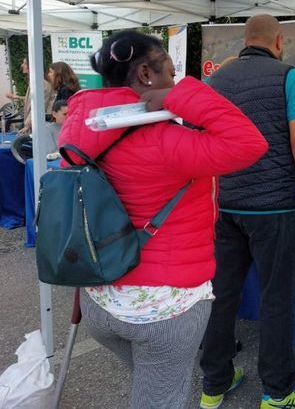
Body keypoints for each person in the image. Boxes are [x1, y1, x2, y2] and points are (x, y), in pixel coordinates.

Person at [58, 30, 268, 409]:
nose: (174, 80)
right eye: (170, 73)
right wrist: (180, 96)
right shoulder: (164, 140)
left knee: (154, 384)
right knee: (161, 396)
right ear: (145, 76)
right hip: (163, 308)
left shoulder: (81, 131)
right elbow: (249, 143)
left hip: (99, 300)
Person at [201, 14, 295, 409]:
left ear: (245, 39)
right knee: (276, 298)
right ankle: (278, 393)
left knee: (222, 294)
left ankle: (214, 384)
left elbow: (203, 139)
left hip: (225, 204)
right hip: (271, 208)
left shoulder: (216, 81)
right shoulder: (289, 76)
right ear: (279, 40)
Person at [6, 57, 55, 133]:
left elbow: (39, 106)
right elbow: (33, 99)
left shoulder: (41, 83)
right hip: (34, 125)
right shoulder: (36, 82)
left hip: (40, 127)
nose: (22, 65)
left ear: (32, 65)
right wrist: (16, 97)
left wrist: (28, 125)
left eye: (25, 63)